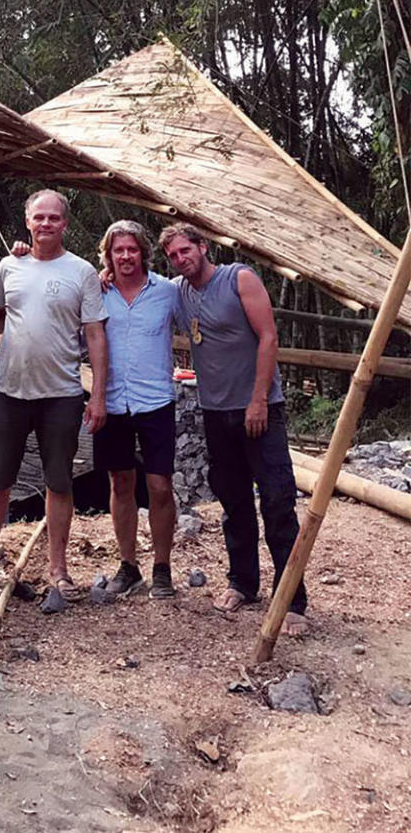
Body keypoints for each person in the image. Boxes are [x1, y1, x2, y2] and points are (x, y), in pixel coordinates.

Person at [159, 223, 307, 635]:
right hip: (215, 410)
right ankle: (243, 582)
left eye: (186, 250)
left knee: (277, 500)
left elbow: (268, 337)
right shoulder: (179, 293)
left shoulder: (238, 278)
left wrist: (259, 399)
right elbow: (136, 287)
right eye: (173, 255)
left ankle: (292, 598)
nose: (181, 259)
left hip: (259, 408)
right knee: (233, 500)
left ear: (203, 248)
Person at [0, 190, 108, 601]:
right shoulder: (9, 266)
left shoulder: (81, 271)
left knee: (59, 482)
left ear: (65, 224)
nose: (46, 224)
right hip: (7, 392)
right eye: (39, 218)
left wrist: (97, 394)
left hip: (61, 394)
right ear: (27, 221)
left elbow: (95, 334)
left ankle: (59, 569)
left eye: (54, 218)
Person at [95, 220, 181, 600]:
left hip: (156, 400)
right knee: (120, 482)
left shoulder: (167, 292)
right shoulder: (98, 292)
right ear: (108, 255)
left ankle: (162, 567)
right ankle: (128, 565)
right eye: (118, 250)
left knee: (160, 486)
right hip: (113, 400)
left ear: (143, 252)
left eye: (131, 249)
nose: (125, 256)